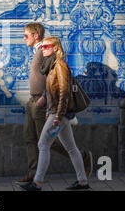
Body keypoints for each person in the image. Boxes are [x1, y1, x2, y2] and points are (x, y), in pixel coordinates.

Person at [16, 24, 92, 187]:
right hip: (55, 112)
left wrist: (58, 115)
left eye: (45, 46)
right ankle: (83, 181)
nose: (42, 49)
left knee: (43, 144)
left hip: (58, 113)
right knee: (71, 148)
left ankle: (37, 183)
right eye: (42, 47)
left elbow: (64, 93)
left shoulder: (60, 66)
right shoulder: (52, 66)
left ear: (55, 48)